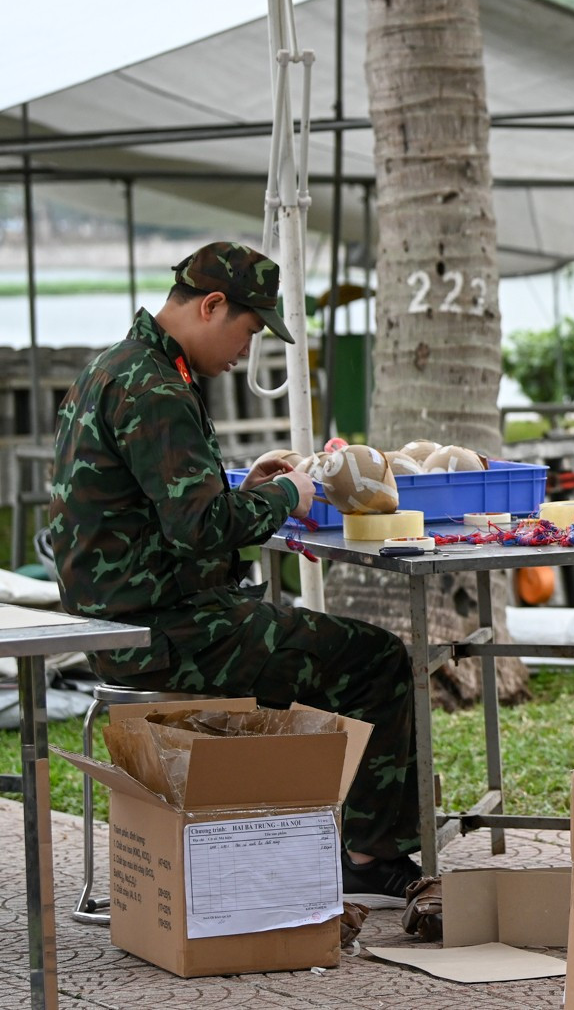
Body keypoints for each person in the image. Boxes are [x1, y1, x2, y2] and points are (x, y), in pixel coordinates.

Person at [48, 243, 423, 903]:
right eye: (248, 332)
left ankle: (285, 843)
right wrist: (289, 496)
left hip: (115, 624)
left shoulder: (113, 366)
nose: (246, 353)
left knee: (303, 646)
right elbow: (198, 528)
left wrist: (244, 490)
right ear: (212, 304)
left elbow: (166, 510)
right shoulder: (159, 388)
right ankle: (371, 855)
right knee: (378, 659)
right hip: (168, 634)